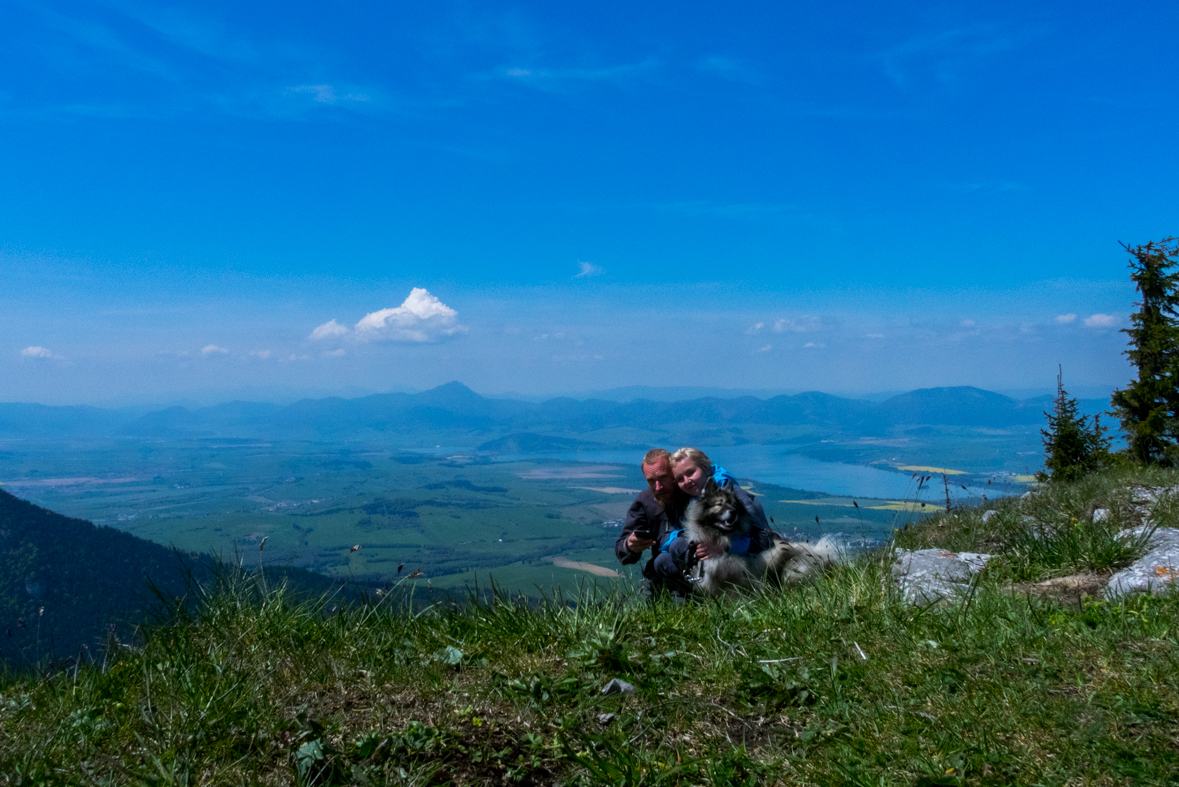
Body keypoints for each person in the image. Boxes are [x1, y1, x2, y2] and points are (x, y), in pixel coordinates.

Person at [656, 447, 775, 574]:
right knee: (663, 560)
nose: (687, 481)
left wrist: (724, 548)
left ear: (705, 468)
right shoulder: (689, 498)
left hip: (740, 562)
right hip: (707, 558)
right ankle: (693, 591)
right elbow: (668, 535)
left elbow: (764, 539)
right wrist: (689, 544)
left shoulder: (734, 496)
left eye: (691, 472)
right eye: (680, 479)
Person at [615, 448, 692, 596]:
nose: (658, 487)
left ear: (674, 473)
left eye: (663, 477)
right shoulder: (645, 501)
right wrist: (630, 546)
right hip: (660, 576)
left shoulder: (692, 492)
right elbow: (621, 550)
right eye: (651, 481)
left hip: (699, 573)